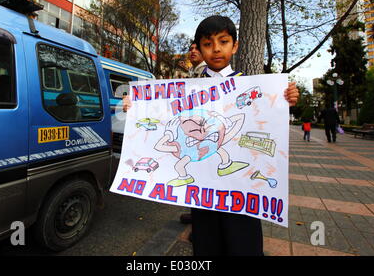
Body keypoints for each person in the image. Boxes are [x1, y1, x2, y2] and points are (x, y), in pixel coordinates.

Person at [123, 15, 299, 256]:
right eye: (208, 44)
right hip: (204, 195)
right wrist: (134, 106)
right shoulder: (186, 89)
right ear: (199, 48)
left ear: (234, 46)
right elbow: (159, 113)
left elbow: (266, 117)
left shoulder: (251, 86)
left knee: (243, 247)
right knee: (207, 247)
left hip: (242, 195)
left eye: (223, 41)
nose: (216, 49)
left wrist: (286, 98)